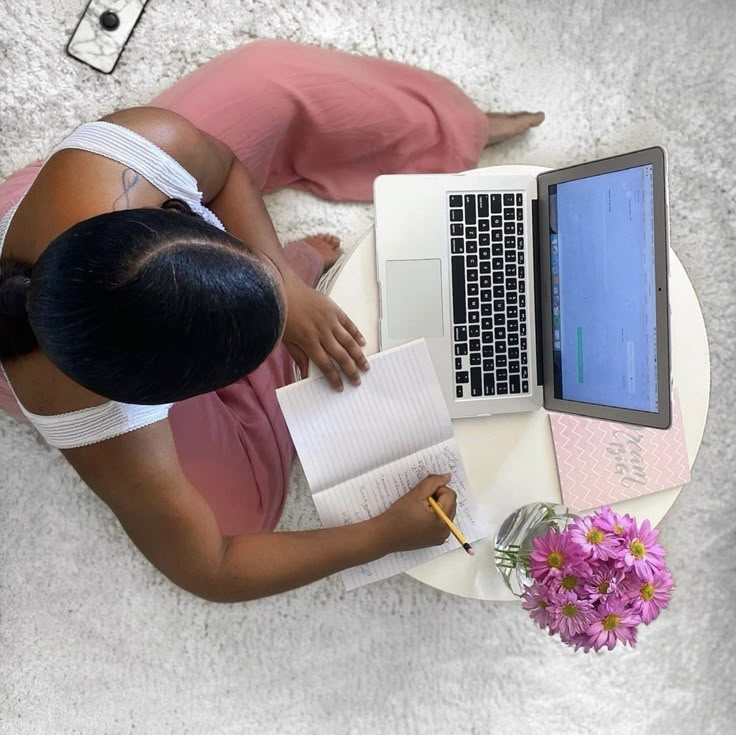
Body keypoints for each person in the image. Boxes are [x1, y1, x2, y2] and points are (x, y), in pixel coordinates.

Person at [0, 39, 544, 602]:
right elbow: (213, 565)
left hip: (84, 264)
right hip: (67, 354)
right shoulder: (102, 424)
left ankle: (452, 130)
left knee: (271, 80)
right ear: (164, 399)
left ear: (171, 215)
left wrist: (287, 284)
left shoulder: (134, 153)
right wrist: (383, 535)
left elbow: (224, 171)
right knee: (245, 512)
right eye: (250, 360)